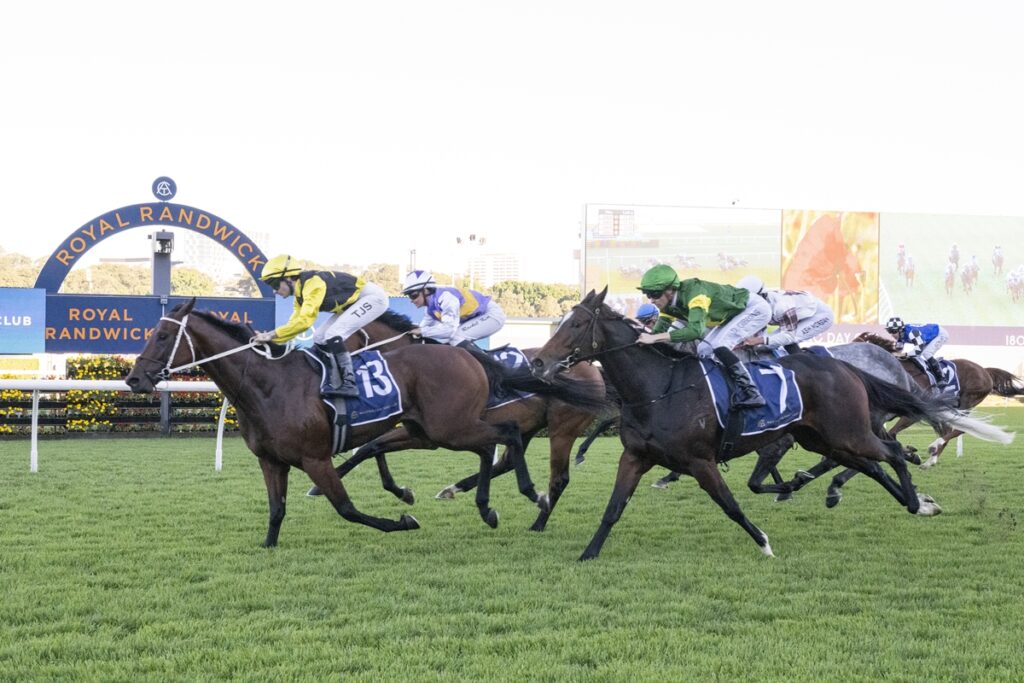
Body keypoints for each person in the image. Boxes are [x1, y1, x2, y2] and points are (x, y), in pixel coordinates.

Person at [252, 255, 390, 397]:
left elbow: (305, 322)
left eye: (274, 285)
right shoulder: (300, 296)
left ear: (288, 278)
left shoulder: (313, 284)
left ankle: (350, 383)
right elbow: (294, 324)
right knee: (318, 337)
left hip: (373, 298)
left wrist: (272, 335)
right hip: (353, 303)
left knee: (333, 334)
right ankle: (334, 380)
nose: (274, 291)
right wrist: (271, 339)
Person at [636, 264, 771, 408]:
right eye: (648, 295)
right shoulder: (668, 305)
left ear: (670, 290)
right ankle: (721, 387)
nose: (651, 300)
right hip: (733, 314)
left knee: (720, 345)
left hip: (754, 308)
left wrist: (654, 338)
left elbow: (695, 331)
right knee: (703, 350)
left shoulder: (695, 293)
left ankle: (752, 393)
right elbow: (657, 332)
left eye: (655, 294)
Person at [401, 269, 506, 348]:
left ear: (426, 291)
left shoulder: (446, 298)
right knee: (451, 340)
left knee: (456, 336)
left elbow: (448, 330)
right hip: (478, 316)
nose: (412, 300)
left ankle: (490, 368)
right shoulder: (430, 310)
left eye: (413, 295)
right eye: (409, 296)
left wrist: (422, 331)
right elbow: (421, 328)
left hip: (491, 315)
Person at [735, 275, 834, 354]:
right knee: (764, 344)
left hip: (820, 316)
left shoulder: (781, 307)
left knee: (785, 341)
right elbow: (757, 329)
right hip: (799, 312)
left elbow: (789, 337)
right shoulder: (762, 302)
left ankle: (806, 370)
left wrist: (758, 341)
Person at [885, 316, 949, 388]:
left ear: (900, 330)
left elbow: (917, 351)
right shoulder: (901, 335)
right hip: (926, 336)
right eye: (889, 331)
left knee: (926, 353)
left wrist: (903, 354)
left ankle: (941, 377)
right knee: (920, 356)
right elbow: (897, 351)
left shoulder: (912, 333)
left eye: (893, 331)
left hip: (939, 334)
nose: (892, 335)